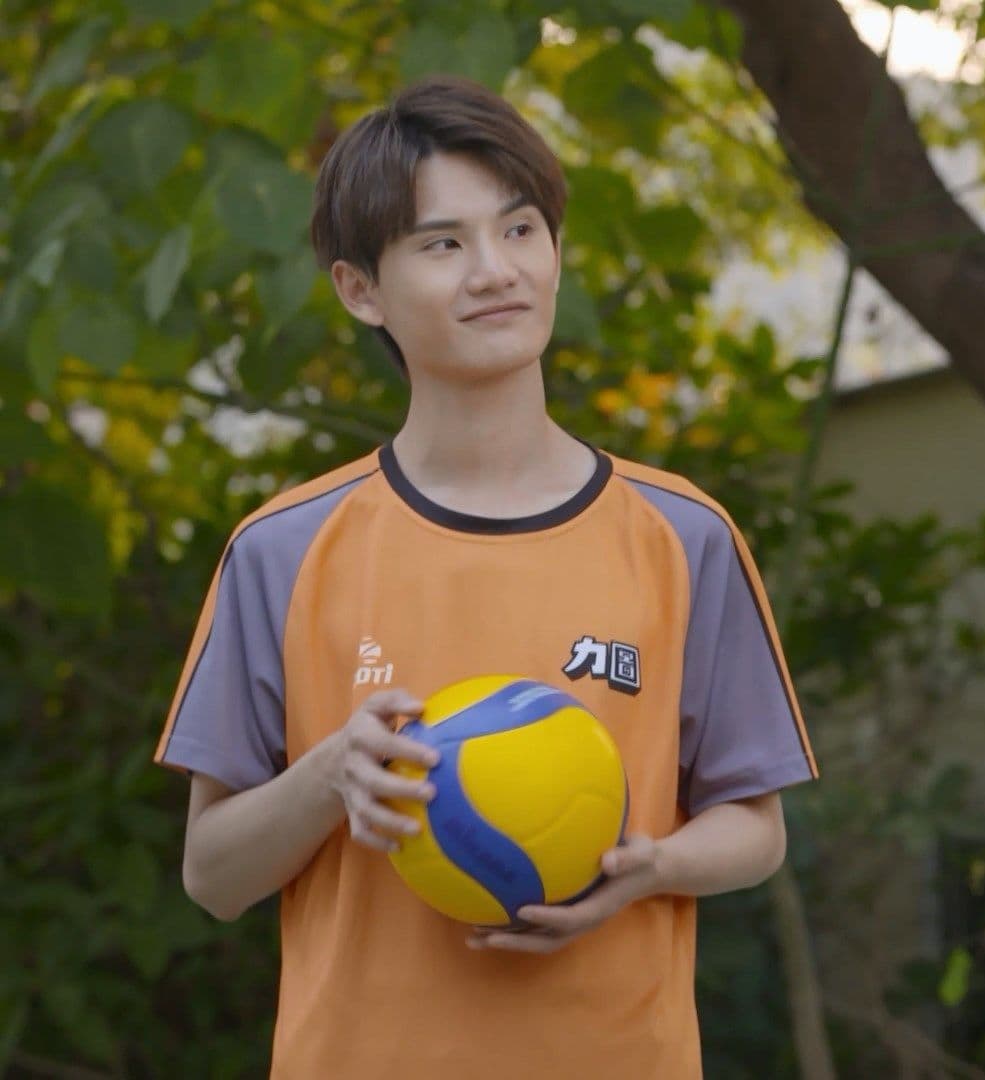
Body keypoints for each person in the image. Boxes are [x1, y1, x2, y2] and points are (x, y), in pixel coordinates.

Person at [155, 76, 818, 1079]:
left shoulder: (683, 535)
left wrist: (654, 866)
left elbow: (755, 829)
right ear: (360, 290)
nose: (495, 271)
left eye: (519, 230)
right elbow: (212, 876)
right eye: (443, 245)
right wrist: (333, 776)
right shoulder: (282, 551)